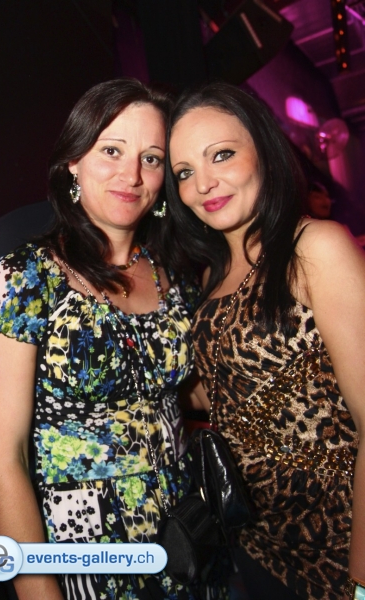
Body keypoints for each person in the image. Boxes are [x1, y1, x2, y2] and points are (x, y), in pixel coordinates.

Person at [0, 78, 227, 600]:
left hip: (189, 540)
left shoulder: (174, 274)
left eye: (151, 159)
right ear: (74, 160)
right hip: (87, 548)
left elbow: (191, 392)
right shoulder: (24, 278)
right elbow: (3, 463)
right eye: (111, 150)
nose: (131, 175)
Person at [165, 81, 365, 600]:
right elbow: (228, 394)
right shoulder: (211, 277)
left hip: (339, 546)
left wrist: (362, 575)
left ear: (264, 151)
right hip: (256, 547)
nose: (203, 183)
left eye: (221, 155)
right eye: (184, 172)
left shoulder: (314, 247)